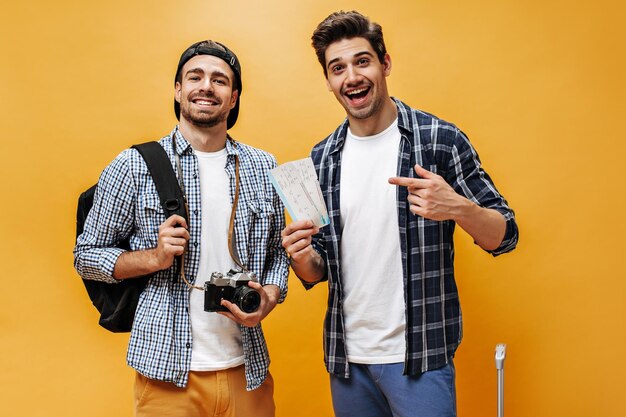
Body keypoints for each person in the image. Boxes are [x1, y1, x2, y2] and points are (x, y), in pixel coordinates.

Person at [281, 11, 519, 417]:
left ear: (385, 63)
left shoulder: (439, 139)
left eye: (362, 61)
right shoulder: (322, 159)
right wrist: (302, 257)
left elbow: (505, 234)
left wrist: (457, 207)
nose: (351, 76)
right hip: (346, 360)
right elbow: (317, 271)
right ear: (328, 81)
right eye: (337, 68)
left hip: (422, 357)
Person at [74, 40, 288, 417]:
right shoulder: (134, 165)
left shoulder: (262, 165)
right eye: (195, 76)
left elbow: (276, 253)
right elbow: (86, 256)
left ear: (233, 97)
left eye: (220, 80)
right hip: (167, 375)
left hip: (247, 369)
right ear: (178, 89)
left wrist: (269, 297)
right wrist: (154, 257)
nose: (207, 86)